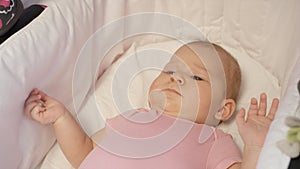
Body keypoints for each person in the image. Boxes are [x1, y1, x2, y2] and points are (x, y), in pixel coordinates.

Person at [24, 41, 279, 169]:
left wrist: (255, 146)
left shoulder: (212, 139)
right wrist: (61, 118)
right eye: (170, 70)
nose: (175, 78)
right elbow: (85, 151)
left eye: (196, 77)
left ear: (222, 110)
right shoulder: (134, 116)